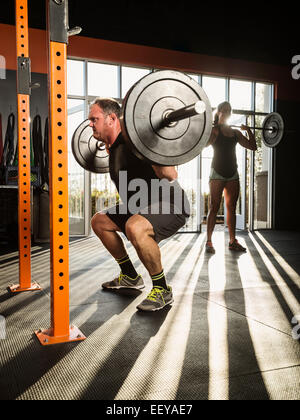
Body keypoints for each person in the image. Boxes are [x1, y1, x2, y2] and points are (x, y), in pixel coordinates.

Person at [90, 98, 190, 312]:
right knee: (99, 222)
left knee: (135, 226)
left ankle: (162, 289)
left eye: (94, 119)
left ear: (112, 119)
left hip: (170, 203)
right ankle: (129, 276)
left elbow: (170, 174)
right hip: (140, 206)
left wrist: (150, 147)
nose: (90, 124)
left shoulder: (135, 141)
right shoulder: (113, 148)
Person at [205, 101, 257, 253]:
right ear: (219, 111)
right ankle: (209, 242)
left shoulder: (235, 133)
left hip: (232, 172)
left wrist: (248, 130)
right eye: (224, 110)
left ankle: (233, 241)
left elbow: (252, 146)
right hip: (217, 172)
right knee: (214, 207)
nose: (227, 112)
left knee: (232, 208)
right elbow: (203, 145)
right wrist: (208, 131)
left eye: (229, 110)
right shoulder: (214, 130)